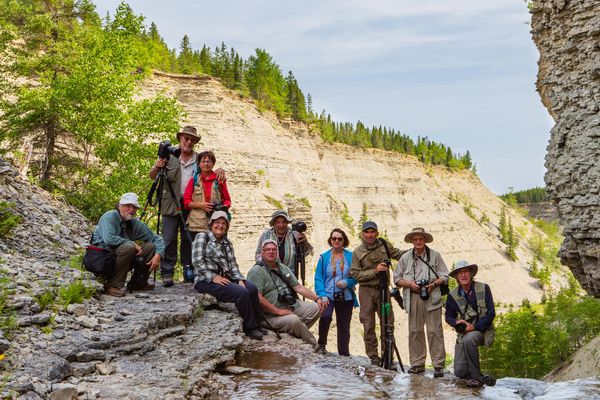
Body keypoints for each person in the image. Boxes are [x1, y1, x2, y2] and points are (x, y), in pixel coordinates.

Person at [149, 126, 225, 287]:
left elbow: (209, 172)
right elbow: (152, 176)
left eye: (192, 139)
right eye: (186, 138)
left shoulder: (199, 159)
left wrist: (220, 170)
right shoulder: (169, 157)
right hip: (171, 203)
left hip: (191, 205)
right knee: (168, 238)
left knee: (188, 239)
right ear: (180, 139)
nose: (189, 142)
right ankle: (167, 272)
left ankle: (188, 269)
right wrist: (157, 166)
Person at [191, 211, 263, 340]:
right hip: (205, 281)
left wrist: (240, 279)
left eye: (223, 223)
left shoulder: (226, 242)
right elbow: (197, 261)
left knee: (251, 288)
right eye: (217, 222)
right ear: (211, 224)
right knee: (241, 293)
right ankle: (250, 327)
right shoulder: (203, 237)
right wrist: (213, 277)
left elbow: (233, 264)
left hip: (225, 278)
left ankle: (258, 323)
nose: (220, 225)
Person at [247, 239, 326, 349]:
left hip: (289, 306)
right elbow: (257, 298)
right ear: (262, 253)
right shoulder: (257, 271)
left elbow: (298, 287)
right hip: (270, 315)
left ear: (277, 252)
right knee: (294, 320)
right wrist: (279, 312)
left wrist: (317, 298)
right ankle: (314, 346)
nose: (271, 252)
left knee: (317, 307)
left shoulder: (281, 267)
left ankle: (295, 331)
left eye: (274, 250)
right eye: (268, 250)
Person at [394, 227, 449, 377]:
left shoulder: (436, 256)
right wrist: (410, 284)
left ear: (425, 240)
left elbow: (445, 275)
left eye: (421, 239)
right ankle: (417, 364)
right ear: (412, 241)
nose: (418, 242)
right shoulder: (405, 258)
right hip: (413, 296)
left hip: (432, 295)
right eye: (415, 239)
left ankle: (438, 365)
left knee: (434, 331)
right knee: (415, 331)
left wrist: (433, 284)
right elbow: (396, 278)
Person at [349, 220, 403, 366]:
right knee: (368, 324)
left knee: (388, 324)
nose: (370, 235)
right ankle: (373, 357)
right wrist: (375, 271)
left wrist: (416, 250)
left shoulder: (384, 245)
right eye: (367, 232)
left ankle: (388, 357)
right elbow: (355, 273)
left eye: (372, 232)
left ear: (377, 233)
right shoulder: (357, 252)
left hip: (384, 291)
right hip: (366, 291)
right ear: (363, 234)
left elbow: (398, 254)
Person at [90, 193, 164, 297]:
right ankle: (113, 285)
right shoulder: (109, 216)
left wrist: (158, 255)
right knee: (130, 247)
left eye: (134, 207)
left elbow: (156, 238)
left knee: (150, 247)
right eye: (128, 206)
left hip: (121, 258)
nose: (131, 209)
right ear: (119, 206)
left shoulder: (134, 223)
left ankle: (138, 282)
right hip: (103, 260)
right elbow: (109, 239)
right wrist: (132, 244)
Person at [445, 260, 496, 388]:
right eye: (460, 273)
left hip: (483, 330)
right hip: (465, 331)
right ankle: (482, 376)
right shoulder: (453, 295)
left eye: (466, 271)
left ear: (471, 273)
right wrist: (457, 322)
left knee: (468, 339)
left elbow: (491, 313)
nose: (463, 275)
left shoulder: (484, 288)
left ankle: (476, 379)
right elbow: (448, 316)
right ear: (456, 276)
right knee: (460, 372)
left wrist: (474, 327)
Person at [314, 228, 358, 356]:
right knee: (325, 317)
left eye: (340, 239)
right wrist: (322, 295)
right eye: (334, 239)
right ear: (330, 240)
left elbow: (357, 275)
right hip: (328, 295)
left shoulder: (351, 256)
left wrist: (348, 283)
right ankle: (321, 345)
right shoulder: (324, 257)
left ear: (344, 240)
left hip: (346, 296)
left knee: (344, 325)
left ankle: (344, 353)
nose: (337, 241)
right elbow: (318, 278)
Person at [183, 150, 231, 240]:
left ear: (213, 163)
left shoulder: (219, 180)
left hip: (216, 225)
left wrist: (223, 208)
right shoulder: (194, 180)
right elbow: (186, 201)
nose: (206, 164)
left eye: (209, 161)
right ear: (199, 164)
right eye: (203, 161)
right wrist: (201, 205)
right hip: (196, 224)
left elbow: (227, 200)